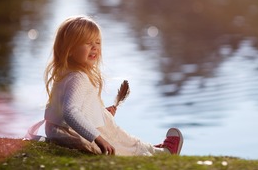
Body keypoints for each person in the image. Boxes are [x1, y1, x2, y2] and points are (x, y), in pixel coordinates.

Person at [37, 15, 183, 156]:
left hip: (56, 132)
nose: (94, 47)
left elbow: (73, 105)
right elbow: (71, 113)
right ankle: (159, 153)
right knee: (115, 135)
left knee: (106, 120)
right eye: (88, 43)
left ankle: (149, 150)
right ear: (69, 50)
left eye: (97, 42)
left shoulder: (64, 74)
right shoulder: (78, 77)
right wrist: (98, 138)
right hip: (73, 133)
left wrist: (99, 112)